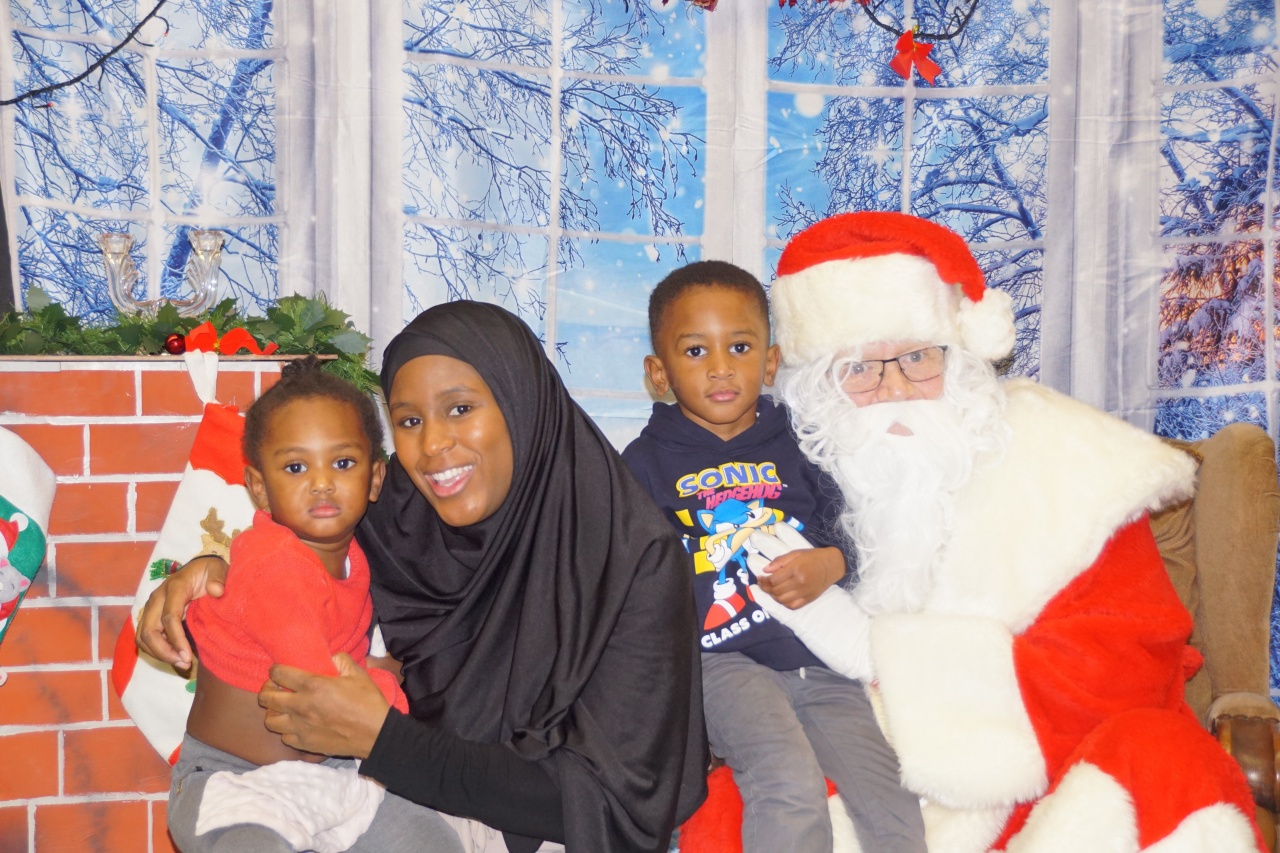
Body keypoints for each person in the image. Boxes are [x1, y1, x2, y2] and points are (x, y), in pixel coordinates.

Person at [747, 211, 1265, 852]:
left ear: (962, 358)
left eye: (917, 357)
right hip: (857, 776)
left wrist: (884, 660)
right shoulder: (772, 490)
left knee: (1164, 762)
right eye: (859, 368)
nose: (894, 388)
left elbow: (1127, 664)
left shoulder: (1071, 466)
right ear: (818, 388)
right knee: (734, 801)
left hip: (1051, 785)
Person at [138, 301, 707, 853]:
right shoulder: (395, 518)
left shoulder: (632, 562)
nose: (433, 446)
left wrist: (385, 740)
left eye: (460, 409)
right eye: (409, 421)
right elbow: (284, 549)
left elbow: (613, 798)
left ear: (521, 402)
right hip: (371, 796)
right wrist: (208, 570)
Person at [622, 260, 925, 852]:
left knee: (890, 795)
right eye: (695, 351)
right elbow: (630, 583)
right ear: (659, 373)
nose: (720, 367)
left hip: (819, 659)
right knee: (788, 781)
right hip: (723, 663)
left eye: (739, 347)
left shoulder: (803, 443)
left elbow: (849, 530)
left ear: (769, 362)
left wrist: (829, 563)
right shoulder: (643, 465)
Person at [167, 358, 463, 853]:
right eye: (296, 467)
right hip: (237, 783)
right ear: (259, 488)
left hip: (330, 773)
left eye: (342, 463)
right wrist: (387, 684)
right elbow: (318, 697)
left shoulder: (357, 558)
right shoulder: (275, 564)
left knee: (432, 842)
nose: (322, 482)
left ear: (375, 478)